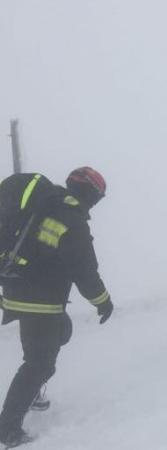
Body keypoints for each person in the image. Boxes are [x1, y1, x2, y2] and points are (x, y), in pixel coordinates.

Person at [0, 167, 114, 448]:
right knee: (39, 362)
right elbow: (84, 270)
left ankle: (32, 393)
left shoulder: (44, 207)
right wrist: (102, 301)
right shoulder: (71, 219)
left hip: (18, 290)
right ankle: (7, 429)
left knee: (60, 333)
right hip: (40, 299)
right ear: (90, 195)